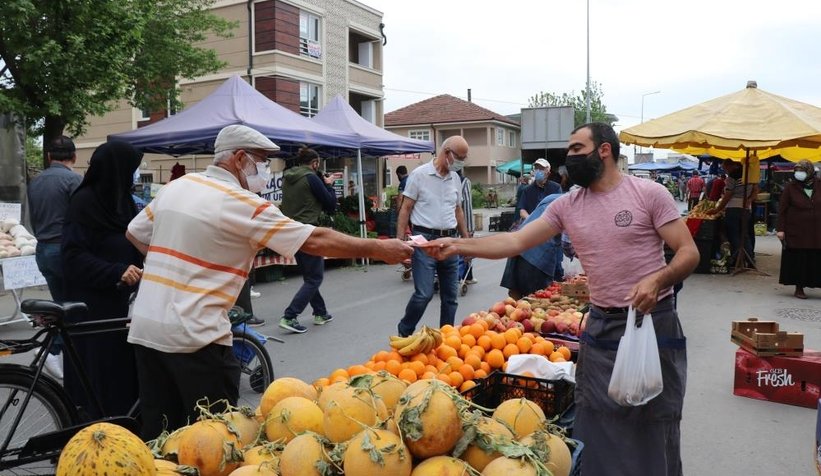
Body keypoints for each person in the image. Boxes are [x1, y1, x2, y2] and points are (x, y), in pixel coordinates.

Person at [420, 123, 699, 475]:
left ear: (604, 151)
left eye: (577, 148)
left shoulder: (648, 194)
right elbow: (514, 242)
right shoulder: (567, 206)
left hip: (653, 322)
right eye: (569, 151)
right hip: (601, 327)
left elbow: (687, 252)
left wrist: (659, 278)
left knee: (654, 419)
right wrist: (458, 245)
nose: (569, 157)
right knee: (596, 421)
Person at [126, 125, 412, 439]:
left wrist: (182, 266)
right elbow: (314, 240)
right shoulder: (240, 202)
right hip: (196, 338)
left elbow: (136, 234)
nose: (265, 170)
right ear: (238, 159)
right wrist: (379, 248)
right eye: (261, 161)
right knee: (211, 444)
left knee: (161, 438)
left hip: (146, 330)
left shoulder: (178, 186)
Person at [61, 140, 144, 420]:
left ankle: (122, 431)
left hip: (122, 305)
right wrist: (115, 271)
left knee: (121, 373)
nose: (132, 175)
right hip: (92, 308)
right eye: (130, 169)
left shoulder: (125, 202)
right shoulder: (83, 203)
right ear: (115, 170)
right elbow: (72, 257)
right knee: (97, 375)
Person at [396, 136, 470, 337]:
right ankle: (404, 331)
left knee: (450, 297)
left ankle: (445, 336)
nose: (462, 162)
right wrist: (399, 240)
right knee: (424, 294)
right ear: (446, 153)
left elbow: (458, 211)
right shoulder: (419, 175)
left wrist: (466, 241)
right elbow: (406, 208)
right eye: (459, 157)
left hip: (449, 242)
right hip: (424, 241)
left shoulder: (455, 178)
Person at [26, 135, 83, 379]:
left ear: (49, 157)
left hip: (43, 249)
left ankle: (54, 350)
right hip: (65, 250)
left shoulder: (35, 182)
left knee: (59, 303)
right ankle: (57, 350)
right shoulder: (75, 180)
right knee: (73, 307)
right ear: (74, 157)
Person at [278, 147, 339, 333]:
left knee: (310, 276)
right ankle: (290, 316)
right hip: (308, 230)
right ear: (314, 163)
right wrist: (328, 184)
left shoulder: (288, 177)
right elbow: (330, 205)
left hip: (290, 230)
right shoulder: (311, 178)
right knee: (315, 278)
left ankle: (320, 312)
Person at [500, 193, 563, 299]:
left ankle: (513, 311)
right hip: (537, 256)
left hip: (518, 249)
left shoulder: (552, 198)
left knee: (515, 294)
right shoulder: (569, 206)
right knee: (536, 298)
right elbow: (568, 243)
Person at [776, 159, 821, 299]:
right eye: (797, 171)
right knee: (799, 260)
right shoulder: (791, 187)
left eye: (801, 171)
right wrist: (780, 229)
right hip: (797, 230)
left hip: (817, 231)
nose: (798, 173)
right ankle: (799, 288)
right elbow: (782, 210)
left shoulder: (819, 184)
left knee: (816, 259)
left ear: (809, 171)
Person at [707, 159, 758, 268]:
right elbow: (756, 190)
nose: (725, 170)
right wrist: (749, 200)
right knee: (744, 234)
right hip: (746, 209)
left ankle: (736, 259)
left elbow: (728, 194)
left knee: (734, 234)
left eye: (725, 168)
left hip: (734, 209)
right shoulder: (749, 175)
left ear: (732, 166)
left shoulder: (732, 177)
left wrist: (718, 209)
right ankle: (750, 259)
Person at [458, 169, 476, 284]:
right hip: (462, 224)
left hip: (446, 225)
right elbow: (467, 206)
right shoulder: (464, 181)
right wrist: (469, 229)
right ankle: (467, 277)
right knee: (465, 251)